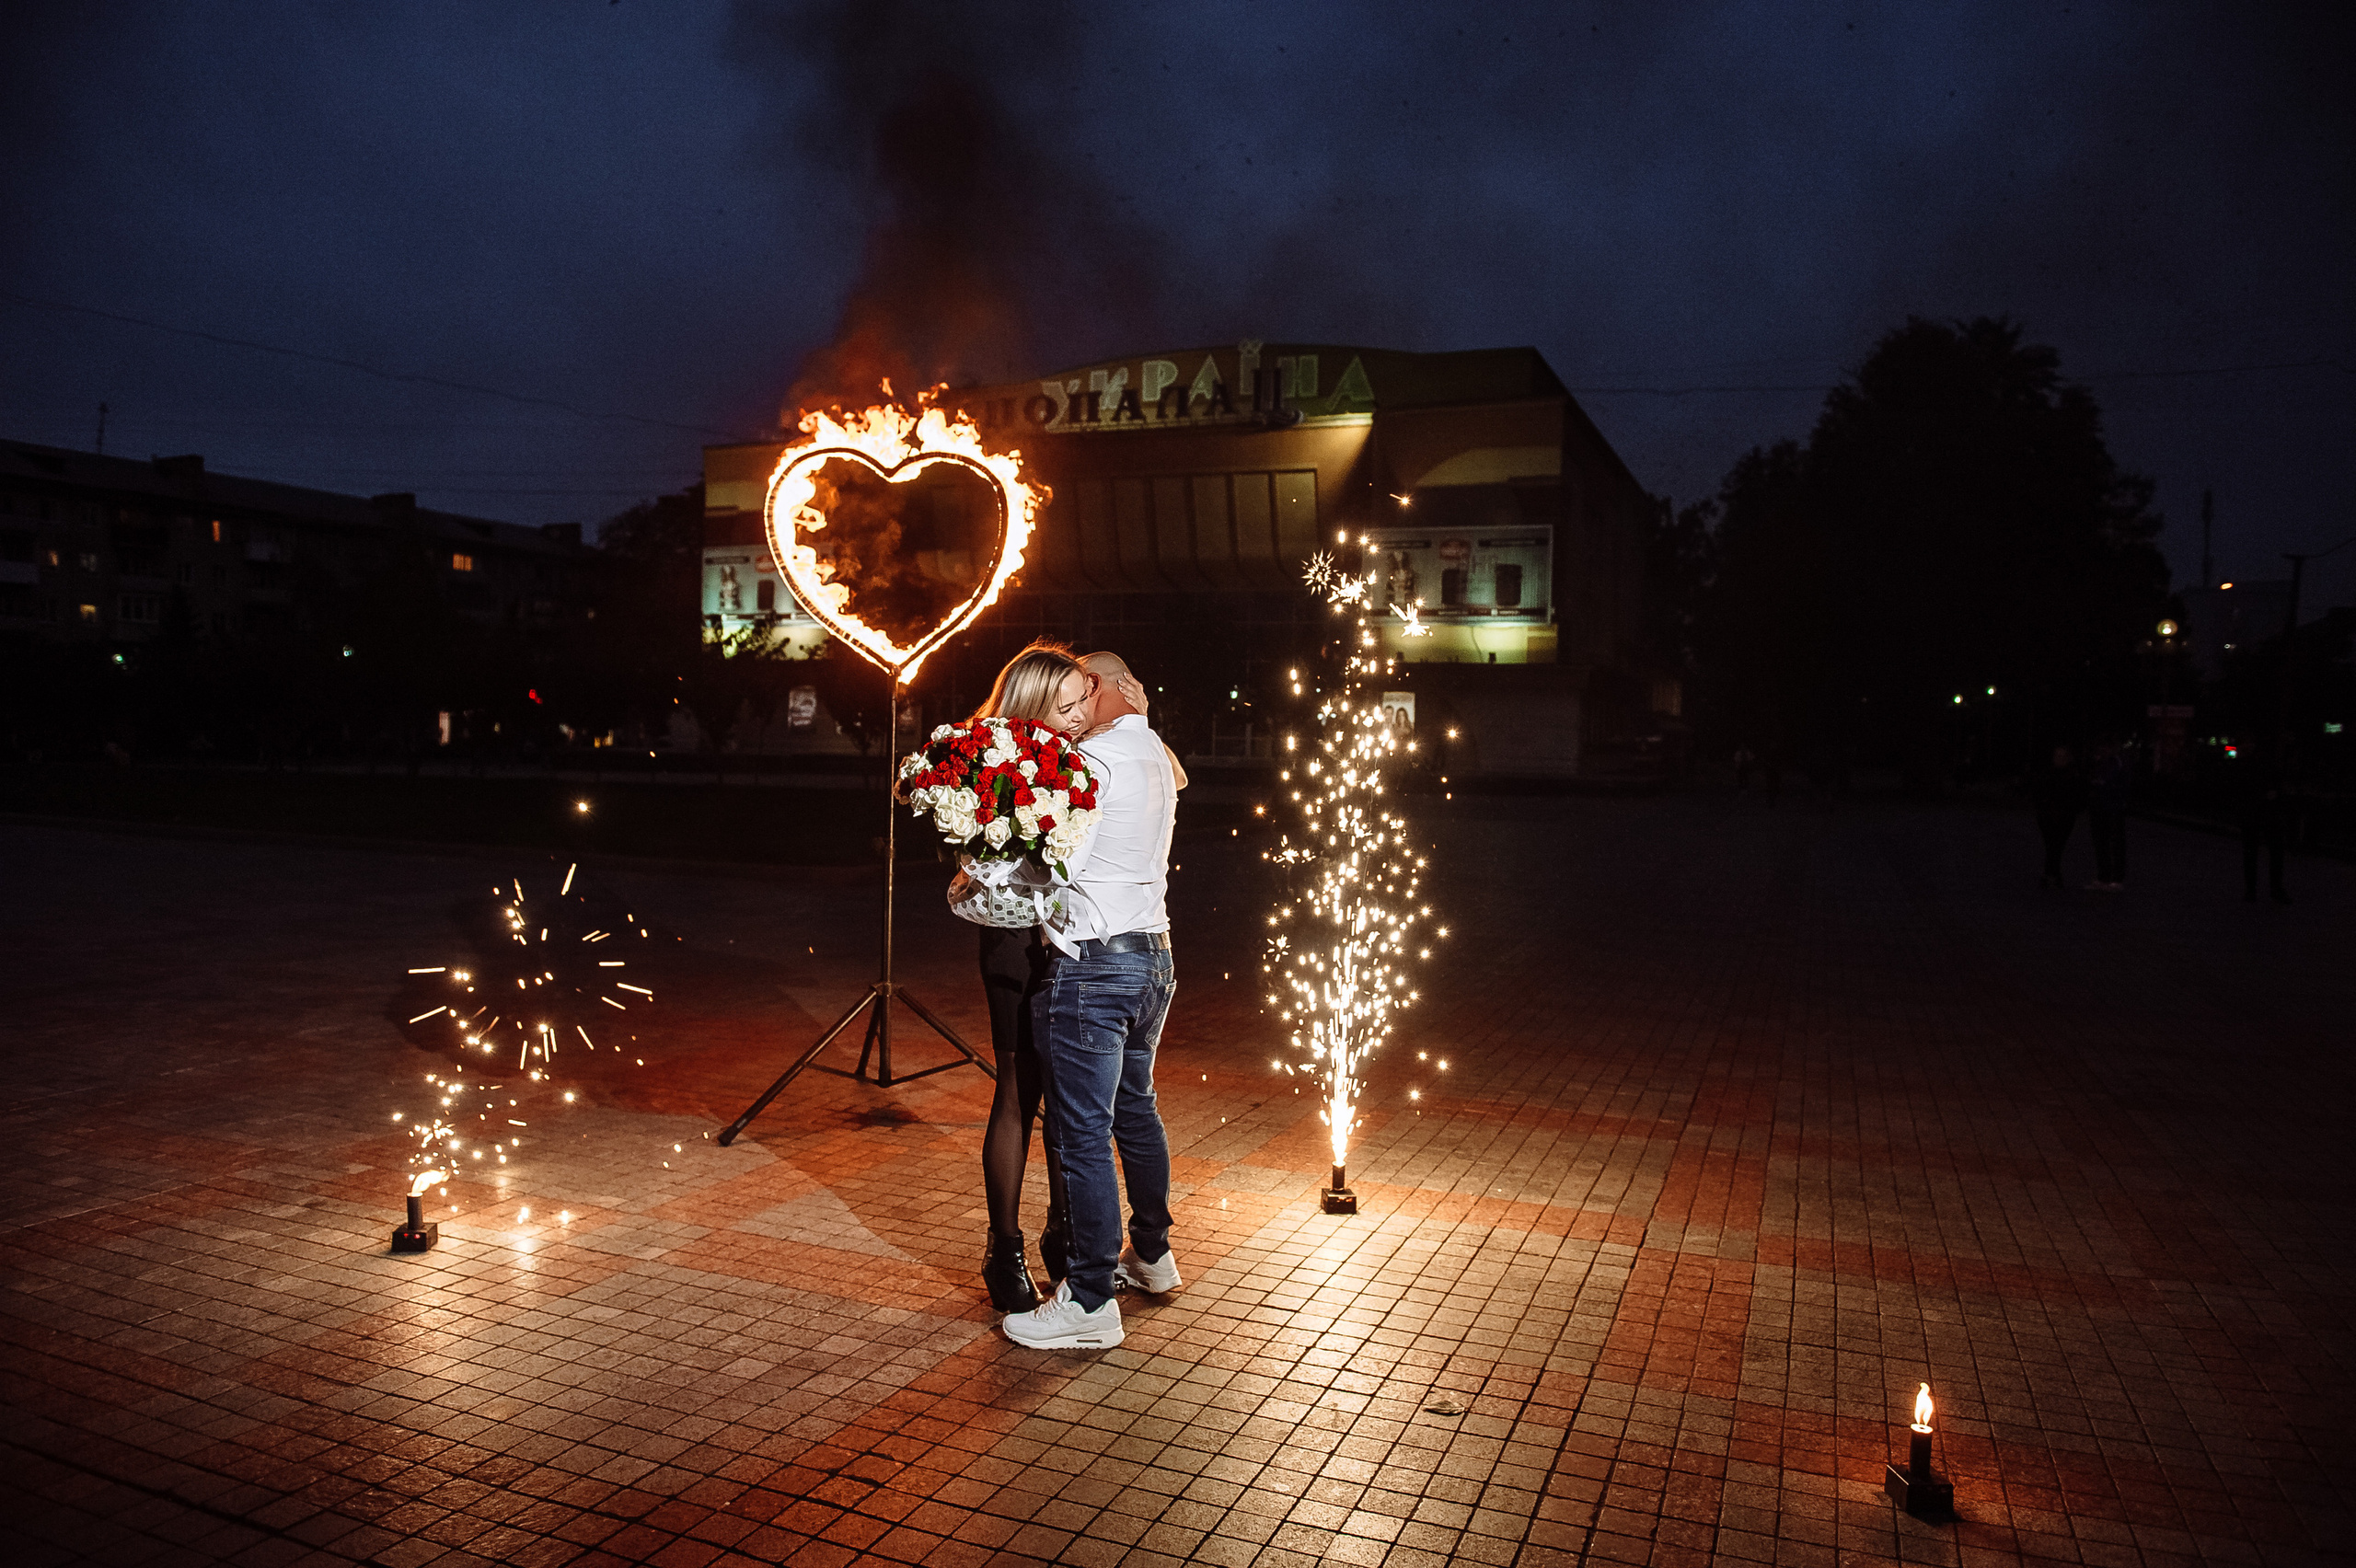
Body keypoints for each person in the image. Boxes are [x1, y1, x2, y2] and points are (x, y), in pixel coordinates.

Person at [1003, 651, 1182, 1350]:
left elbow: (1056, 867)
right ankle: (1153, 1255)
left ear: (1098, 687)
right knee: (1136, 1111)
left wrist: (997, 865)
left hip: (1094, 966)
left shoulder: (1092, 764)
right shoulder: (1154, 753)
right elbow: (1175, 776)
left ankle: (1088, 1299)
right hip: (1153, 958)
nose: (1073, 713)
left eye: (1080, 695)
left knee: (1081, 1133)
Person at [964, 642, 1096, 1312]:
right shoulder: (989, 762)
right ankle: (1004, 1247)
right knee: (1018, 1088)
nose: (1078, 716)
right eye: (1065, 705)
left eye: (1082, 701)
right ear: (1032, 705)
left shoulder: (1080, 758)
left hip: (1076, 942)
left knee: (1070, 1092)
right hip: (1017, 941)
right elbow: (976, 860)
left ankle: (1064, 1233)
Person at [2234, 738, 2292, 905]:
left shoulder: (2247, 763)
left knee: (2254, 852)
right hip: (2263, 812)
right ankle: (2271, 889)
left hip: (2257, 812)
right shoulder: (2267, 762)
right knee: (2271, 852)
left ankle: (2254, 890)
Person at [2030, 744, 2086, 891]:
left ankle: (2050, 874)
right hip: (2047, 814)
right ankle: (2052, 874)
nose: (2060, 759)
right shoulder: (2047, 773)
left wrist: (2074, 808)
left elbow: (2079, 794)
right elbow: (2038, 792)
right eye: (2057, 756)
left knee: (2058, 845)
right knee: (2051, 844)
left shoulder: (2074, 774)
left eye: (2063, 756)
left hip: (2066, 815)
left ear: (2069, 758)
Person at [2085, 741, 2131, 892]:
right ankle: (2103, 876)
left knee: (2114, 843)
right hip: (2100, 806)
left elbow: (2110, 782)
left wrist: (2101, 783)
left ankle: (2116, 878)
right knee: (2101, 842)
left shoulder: (2117, 762)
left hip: (2113, 807)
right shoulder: (2100, 762)